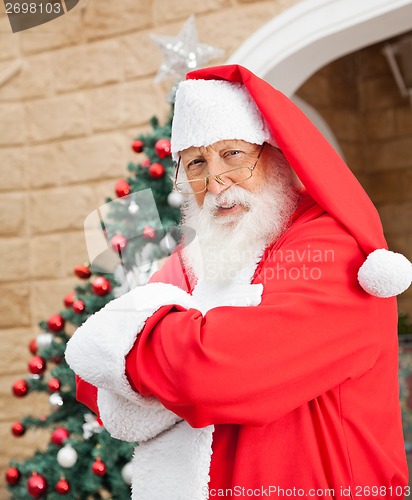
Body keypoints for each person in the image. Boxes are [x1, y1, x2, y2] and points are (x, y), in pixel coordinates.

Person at [66, 65, 412, 499]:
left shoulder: (331, 244)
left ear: (277, 154)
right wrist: (148, 356)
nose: (214, 182)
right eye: (195, 163)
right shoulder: (193, 256)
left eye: (232, 154)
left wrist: (136, 354)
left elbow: (218, 372)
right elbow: (92, 375)